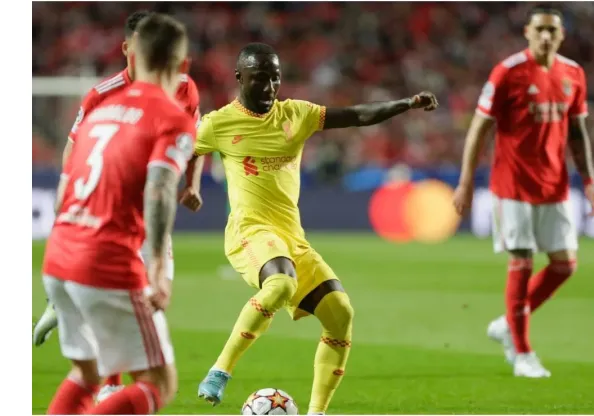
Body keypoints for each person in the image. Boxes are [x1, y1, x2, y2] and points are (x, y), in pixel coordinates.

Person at [192, 42, 438, 414]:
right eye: (260, 78)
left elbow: (356, 115)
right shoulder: (217, 123)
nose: (269, 87)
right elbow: (181, 149)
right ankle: (220, 371)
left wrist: (405, 104)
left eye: (275, 78)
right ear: (240, 77)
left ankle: (317, 412)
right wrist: (189, 184)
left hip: (292, 237)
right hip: (249, 231)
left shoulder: (298, 114)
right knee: (280, 283)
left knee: (341, 314)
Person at [32, 9, 202, 402]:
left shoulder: (101, 108)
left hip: (60, 253)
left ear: (133, 55)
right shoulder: (170, 116)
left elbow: (65, 189)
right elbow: (160, 189)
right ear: (182, 64)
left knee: (86, 373)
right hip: (106, 256)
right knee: (158, 384)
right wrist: (157, 267)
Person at [452, 6, 594, 378]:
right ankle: (522, 353)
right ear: (527, 32)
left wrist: (589, 178)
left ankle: (508, 323)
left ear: (562, 34)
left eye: (552, 30)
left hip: (555, 184)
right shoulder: (508, 72)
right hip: (512, 185)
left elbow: (578, 132)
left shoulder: (573, 73)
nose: (546, 36)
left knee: (565, 264)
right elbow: (479, 129)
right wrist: (466, 181)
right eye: (540, 30)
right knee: (523, 262)